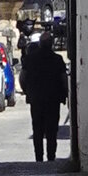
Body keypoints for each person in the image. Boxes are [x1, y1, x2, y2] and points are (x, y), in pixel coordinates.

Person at [20, 27, 68, 164]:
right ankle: (51, 156)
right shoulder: (57, 60)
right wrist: (65, 93)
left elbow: (22, 78)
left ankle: (39, 157)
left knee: (38, 129)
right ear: (51, 44)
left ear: (40, 44)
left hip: (36, 99)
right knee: (52, 130)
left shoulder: (30, 59)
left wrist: (27, 91)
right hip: (53, 100)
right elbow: (64, 78)